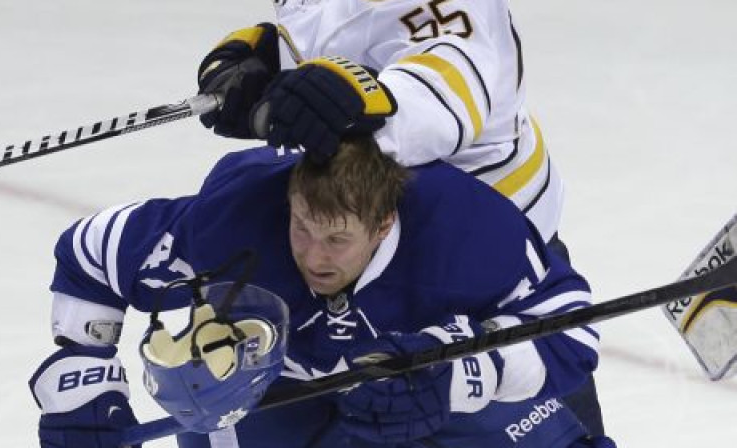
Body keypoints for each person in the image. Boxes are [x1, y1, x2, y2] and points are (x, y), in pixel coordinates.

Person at [29, 135, 614, 447]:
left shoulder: (466, 232)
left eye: (337, 239)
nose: (313, 256)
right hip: (271, 386)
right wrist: (83, 378)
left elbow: (571, 327)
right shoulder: (231, 219)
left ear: (383, 224)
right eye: (302, 227)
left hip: (418, 377)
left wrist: (456, 378)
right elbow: (91, 252)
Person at [194, 0, 605, 435]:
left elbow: (446, 81)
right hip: (358, 255)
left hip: (485, 267)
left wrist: (352, 104)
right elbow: (347, 33)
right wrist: (273, 63)